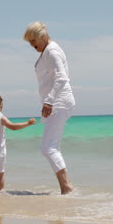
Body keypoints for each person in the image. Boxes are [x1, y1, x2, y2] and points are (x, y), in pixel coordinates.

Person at [23, 21, 75, 194]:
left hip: (59, 102)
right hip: (56, 102)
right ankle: (65, 187)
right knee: (53, 146)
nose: (32, 45)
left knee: (48, 147)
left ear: (42, 36)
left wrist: (49, 101)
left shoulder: (52, 51)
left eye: (33, 41)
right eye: (29, 42)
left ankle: (67, 187)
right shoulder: (47, 51)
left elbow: (62, 78)